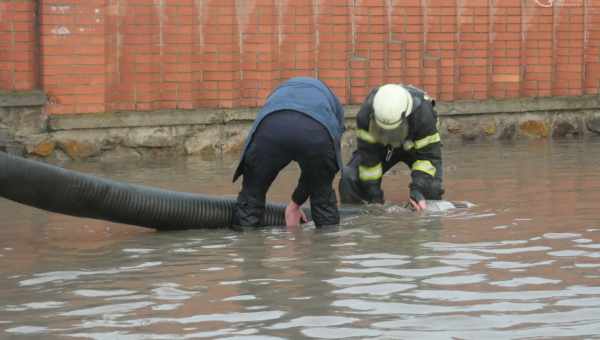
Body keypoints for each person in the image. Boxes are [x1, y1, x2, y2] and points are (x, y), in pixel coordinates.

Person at [232, 77, 345, 228]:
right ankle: (325, 246)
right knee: (322, 199)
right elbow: (316, 173)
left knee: (251, 198)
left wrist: (294, 205)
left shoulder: (278, 93)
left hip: (271, 127)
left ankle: (249, 246)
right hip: (316, 132)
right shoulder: (334, 106)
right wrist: (295, 204)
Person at [339, 83, 444, 211]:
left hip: (415, 150)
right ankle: (356, 222)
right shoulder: (366, 114)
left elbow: (428, 159)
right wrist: (374, 197)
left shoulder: (424, 115)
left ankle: (425, 217)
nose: (388, 133)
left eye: (393, 130)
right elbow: (368, 158)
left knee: (431, 188)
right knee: (350, 177)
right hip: (382, 147)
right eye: (382, 129)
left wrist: (418, 190)